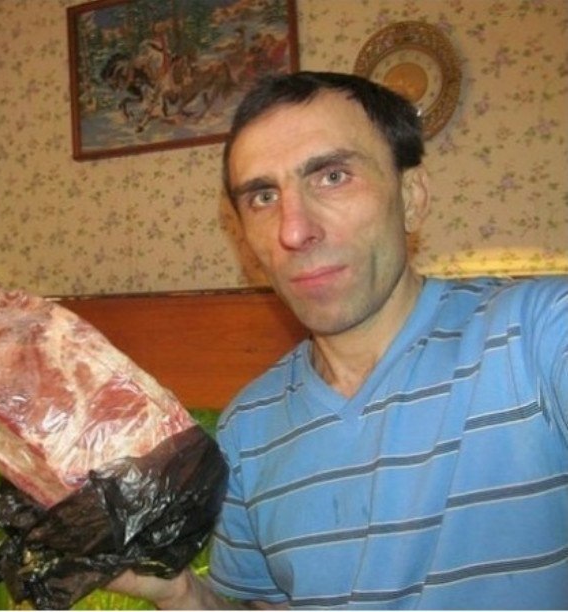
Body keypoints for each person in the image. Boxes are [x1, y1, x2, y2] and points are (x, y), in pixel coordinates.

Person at [109, 71, 568, 608]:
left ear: (412, 197)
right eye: (263, 196)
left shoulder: (533, 335)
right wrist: (182, 594)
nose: (293, 230)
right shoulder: (246, 429)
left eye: (332, 176)